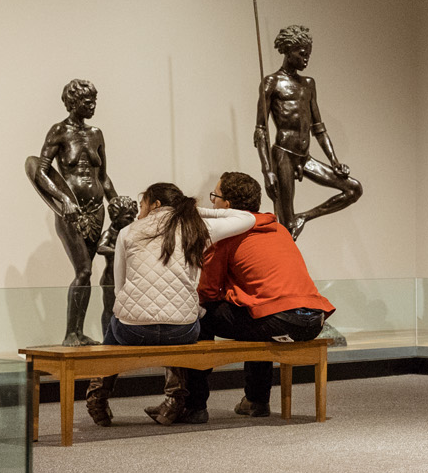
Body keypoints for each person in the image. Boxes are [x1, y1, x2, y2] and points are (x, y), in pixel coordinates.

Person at [144, 171, 335, 425]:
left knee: (200, 315)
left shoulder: (228, 235)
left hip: (278, 318)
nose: (212, 203)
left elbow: (206, 293)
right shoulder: (278, 230)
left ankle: (194, 405)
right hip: (312, 320)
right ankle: (255, 400)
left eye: (215, 197)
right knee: (255, 314)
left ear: (227, 206)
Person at [83, 182, 229, 426]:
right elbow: (246, 219)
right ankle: (174, 401)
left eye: (142, 205)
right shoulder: (193, 229)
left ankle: (97, 398)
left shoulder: (128, 231)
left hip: (133, 331)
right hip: (181, 331)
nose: (139, 212)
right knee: (182, 322)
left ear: (156, 205)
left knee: (115, 322)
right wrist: (196, 211)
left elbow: (119, 288)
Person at [26, 79, 137, 346]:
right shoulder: (59, 132)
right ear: (73, 103)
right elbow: (39, 170)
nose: (92, 106)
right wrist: (63, 199)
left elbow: (104, 176)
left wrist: (116, 206)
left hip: (96, 210)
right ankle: (70, 333)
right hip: (71, 213)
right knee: (84, 270)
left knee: (93, 269)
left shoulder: (96, 133)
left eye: (94, 101)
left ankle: (78, 332)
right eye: (87, 102)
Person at [255, 24, 362, 239]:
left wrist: (334, 161)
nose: (306, 59)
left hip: (305, 158)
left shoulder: (308, 84)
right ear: (288, 51)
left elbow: (318, 128)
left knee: (353, 189)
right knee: (286, 226)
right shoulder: (272, 83)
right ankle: (287, 265)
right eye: (302, 54)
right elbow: (260, 131)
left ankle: (304, 216)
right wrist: (267, 170)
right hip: (284, 155)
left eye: (308, 55)